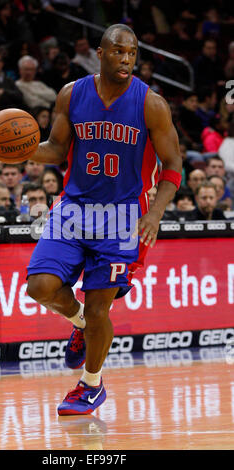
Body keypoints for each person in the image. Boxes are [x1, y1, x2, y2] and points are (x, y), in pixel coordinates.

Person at [25, 24, 182, 415]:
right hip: (73, 209)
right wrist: (21, 150)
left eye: (132, 53)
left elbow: (174, 165)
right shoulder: (72, 93)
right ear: (100, 52)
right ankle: (77, 324)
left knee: (100, 310)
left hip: (123, 219)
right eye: (118, 52)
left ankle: (91, 385)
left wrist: (156, 213)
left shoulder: (151, 104)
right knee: (39, 287)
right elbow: (56, 148)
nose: (126, 59)